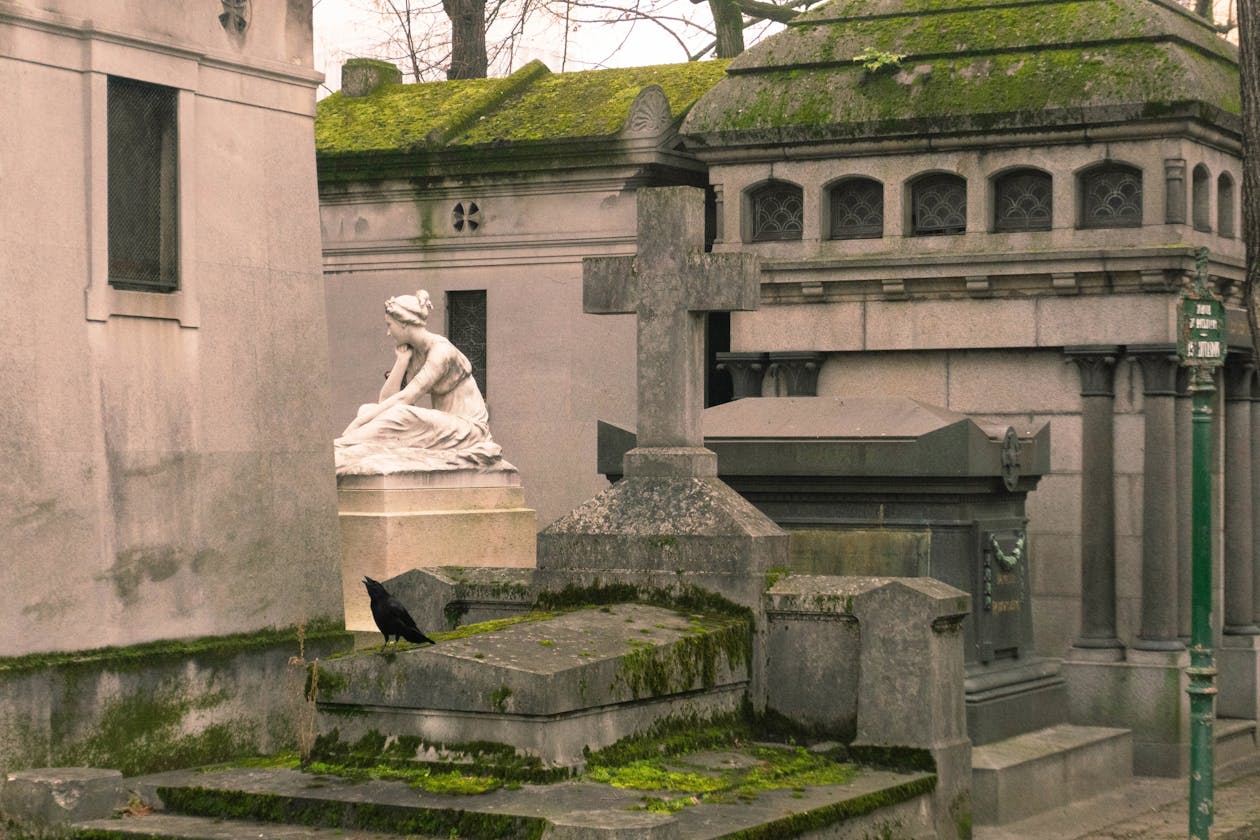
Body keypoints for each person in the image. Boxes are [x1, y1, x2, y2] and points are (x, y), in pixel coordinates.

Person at [334, 290, 504, 474]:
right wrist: (401, 361)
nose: (388, 332)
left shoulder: (441, 352)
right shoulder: (413, 353)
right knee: (366, 409)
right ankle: (349, 446)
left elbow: (406, 398)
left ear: (404, 324)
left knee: (401, 413)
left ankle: (342, 445)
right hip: (445, 424)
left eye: (390, 325)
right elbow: (385, 401)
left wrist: (356, 425)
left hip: (468, 429)